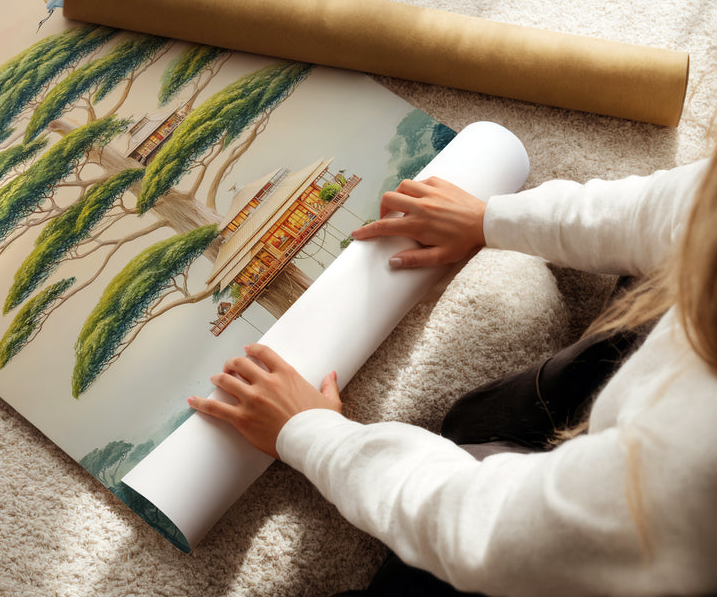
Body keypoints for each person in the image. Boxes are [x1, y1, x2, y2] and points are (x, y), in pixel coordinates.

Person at [188, 154, 717, 596]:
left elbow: (488, 530)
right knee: (480, 419)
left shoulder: (690, 468)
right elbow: (678, 207)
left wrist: (311, 434)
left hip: (639, 543)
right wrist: (490, 219)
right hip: (640, 430)